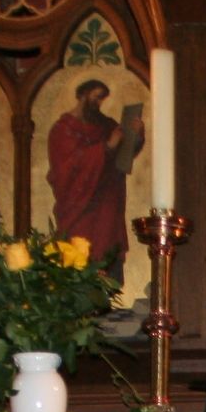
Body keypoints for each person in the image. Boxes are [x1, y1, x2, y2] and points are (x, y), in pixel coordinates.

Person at [46, 77, 139, 270]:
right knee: (80, 258)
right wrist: (106, 147)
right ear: (82, 95)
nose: (99, 103)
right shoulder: (63, 130)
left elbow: (123, 156)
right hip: (79, 210)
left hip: (107, 207)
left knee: (107, 256)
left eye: (102, 99)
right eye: (96, 97)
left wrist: (135, 135)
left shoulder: (106, 125)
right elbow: (66, 169)